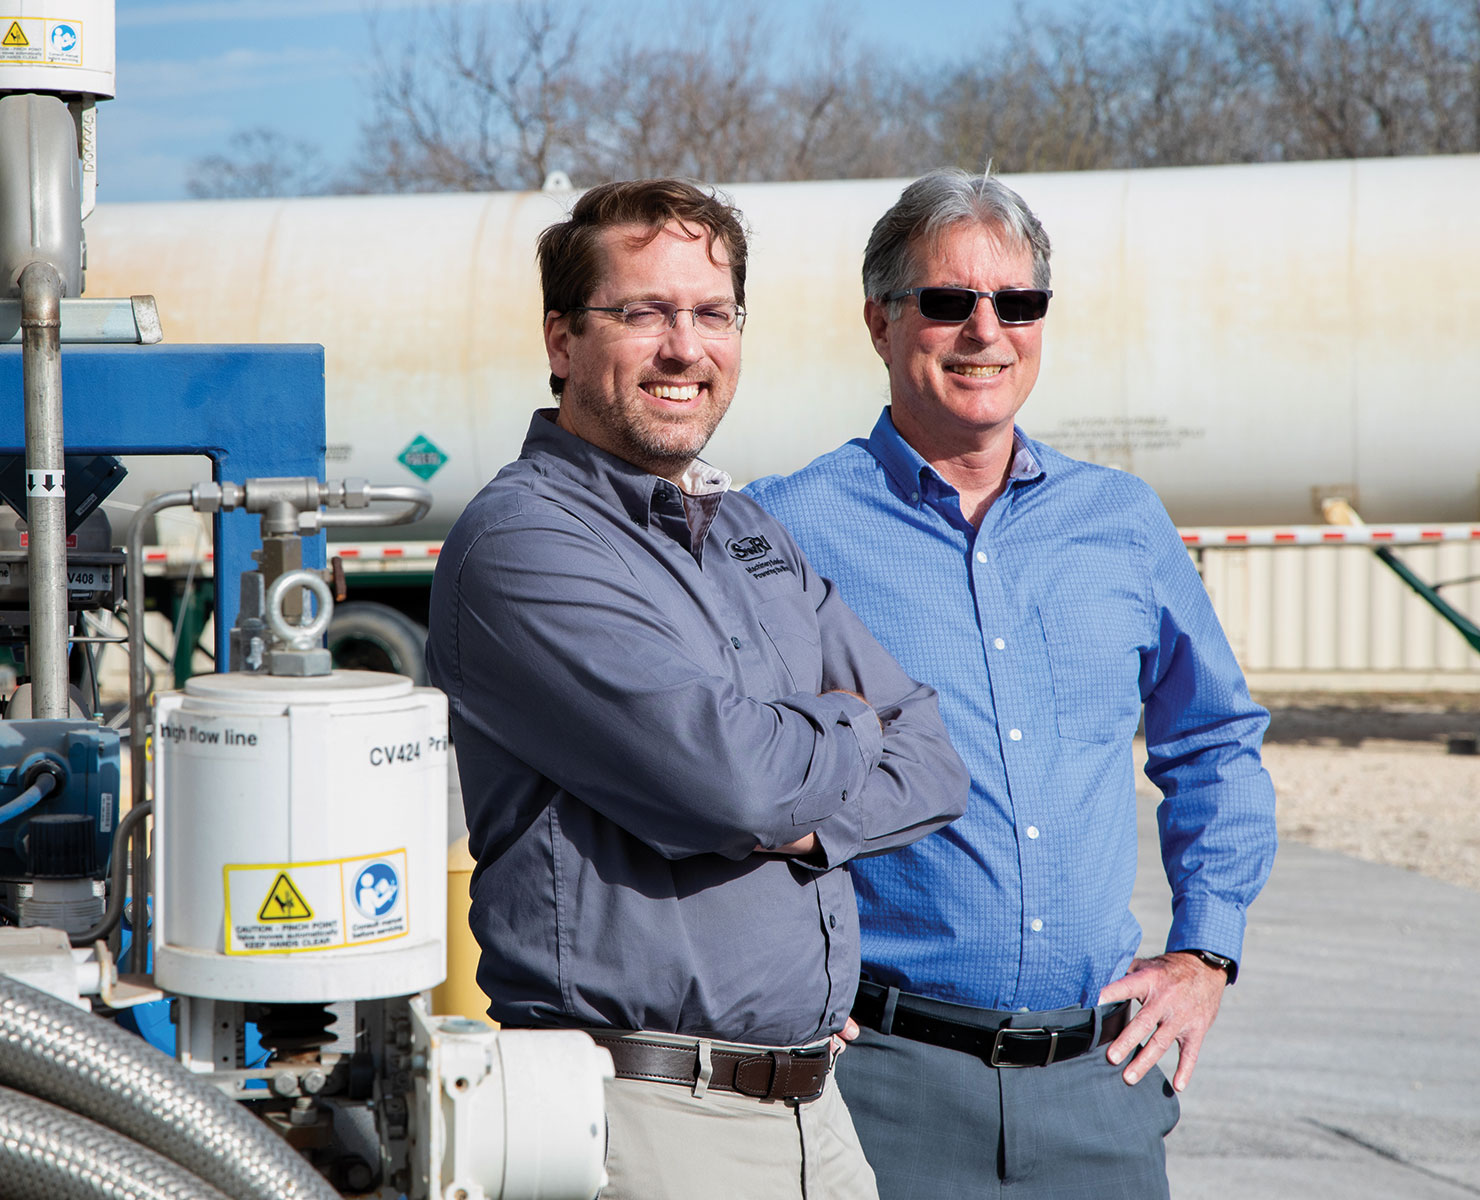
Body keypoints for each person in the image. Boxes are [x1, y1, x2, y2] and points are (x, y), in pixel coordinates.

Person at [425, 178, 970, 1200]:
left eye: (711, 313)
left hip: (821, 1115)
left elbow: (935, 759)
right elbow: (735, 782)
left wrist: (805, 804)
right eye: (643, 313)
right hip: (647, 1121)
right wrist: (846, 730)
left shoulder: (746, 529)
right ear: (561, 340)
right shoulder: (524, 543)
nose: (686, 347)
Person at [744, 167, 1278, 1198]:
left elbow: (1214, 743)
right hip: (879, 1084)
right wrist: (766, 963)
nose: (986, 331)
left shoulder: (1121, 523)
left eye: (1018, 302)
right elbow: (720, 769)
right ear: (880, 322)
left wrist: (1207, 950)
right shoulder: (790, 529)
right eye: (948, 302)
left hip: (1098, 1087)